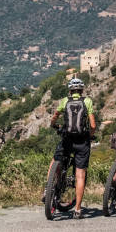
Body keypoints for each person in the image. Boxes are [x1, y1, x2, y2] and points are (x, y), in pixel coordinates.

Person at [45, 77, 96, 219]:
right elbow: (93, 125)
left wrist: (53, 125)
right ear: (81, 90)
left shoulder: (64, 101)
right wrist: (90, 136)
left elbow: (55, 116)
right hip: (82, 142)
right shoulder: (87, 101)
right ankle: (78, 210)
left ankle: (47, 189)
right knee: (80, 175)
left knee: (56, 159)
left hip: (67, 139)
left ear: (70, 90)